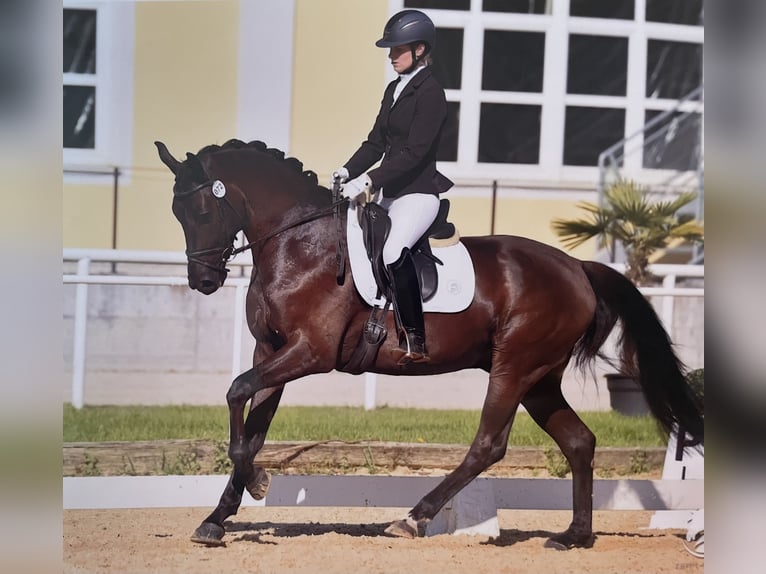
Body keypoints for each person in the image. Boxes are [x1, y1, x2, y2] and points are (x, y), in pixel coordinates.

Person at [333, 9, 453, 366]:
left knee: (391, 251)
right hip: (390, 194)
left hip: (418, 194)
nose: (390, 55)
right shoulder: (394, 89)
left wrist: (370, 180)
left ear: (419, 49)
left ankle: (416, 339)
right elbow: (375, 142)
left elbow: (416, 153)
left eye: (397, 49)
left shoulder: (432, 94)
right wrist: (347, 169)